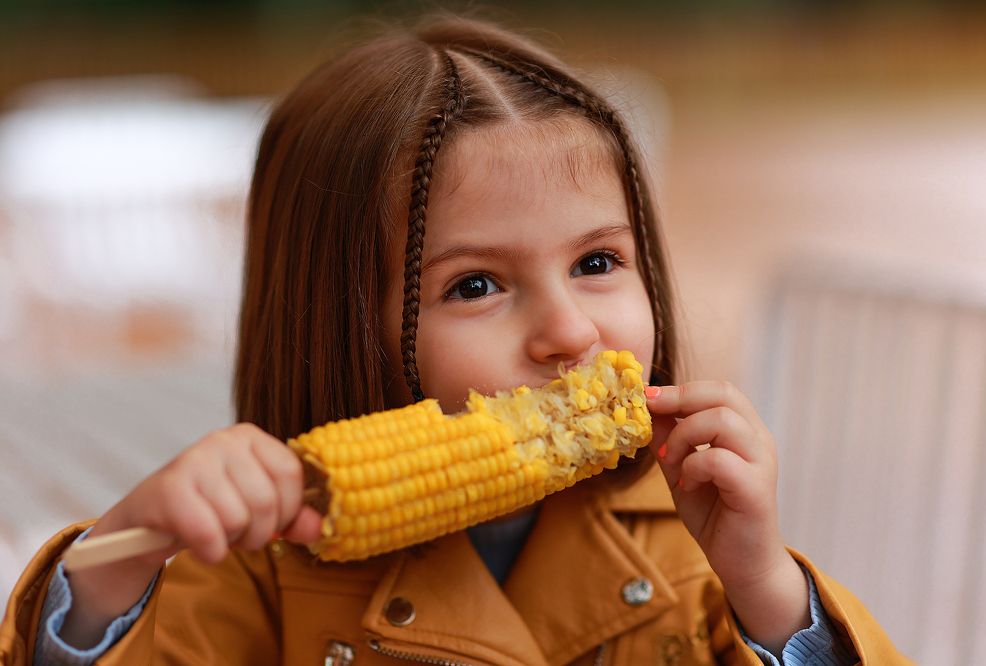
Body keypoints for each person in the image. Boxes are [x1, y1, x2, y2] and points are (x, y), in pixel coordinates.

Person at [0, 15, 910, 666]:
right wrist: (128, 544)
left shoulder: (688, 540)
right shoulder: (256, 567)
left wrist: (772, 594)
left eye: (598, 261)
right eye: (476, 285)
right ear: (333, 324)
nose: (569, 330)